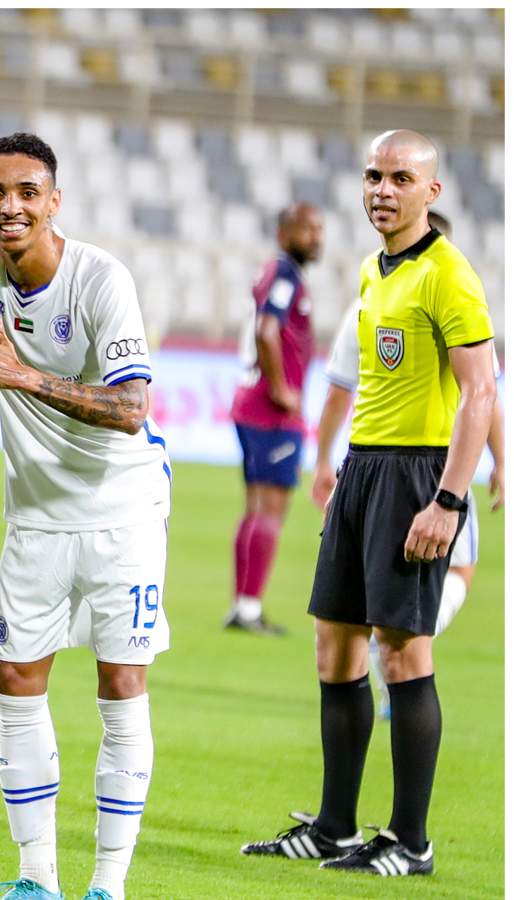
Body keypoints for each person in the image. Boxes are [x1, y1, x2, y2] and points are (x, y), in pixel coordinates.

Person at [242, 130, 495, 877]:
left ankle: (411, 842)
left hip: (419, 474)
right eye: (374, 176)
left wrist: (449, 499)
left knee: (402, 650)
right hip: (364, 469)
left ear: (432, 192)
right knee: (335, 645)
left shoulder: (449, 275)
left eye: (401, 178)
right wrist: (339, 473)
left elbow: (482, 391)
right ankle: (334, 828)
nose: (383, 190)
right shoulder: (370, 271)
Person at [0, 133, 171, 900]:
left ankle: (109, 886)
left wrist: (23, 378)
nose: (11, 206)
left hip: (121, 510)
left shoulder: (102, 279)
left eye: (28, 191)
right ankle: (37, 881)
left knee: (121, 680)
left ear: (54, 200)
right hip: (35, 516)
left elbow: (133, 408)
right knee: (16, 677)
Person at [310, 209, 503, 721]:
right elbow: (488, 395)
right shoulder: (375, 283)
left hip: (434, 469)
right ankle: (400, 634)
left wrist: (323, 462)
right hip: (396, 469)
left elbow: (480, 393)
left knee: (402, 630)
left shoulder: (448, 283)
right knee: (421, 605)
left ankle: (398, 634)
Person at [225, 203, 324, 635]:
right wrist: (282, 387)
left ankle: (242, 605)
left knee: (255, 508)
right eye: (305, 229)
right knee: (271, 509)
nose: (315, 237)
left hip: (251, 405)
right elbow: (268, 330)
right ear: (283, 234)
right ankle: (248, 608)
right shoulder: (284, 275)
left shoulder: (277, 273)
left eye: (319, 229)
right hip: (271, 412)